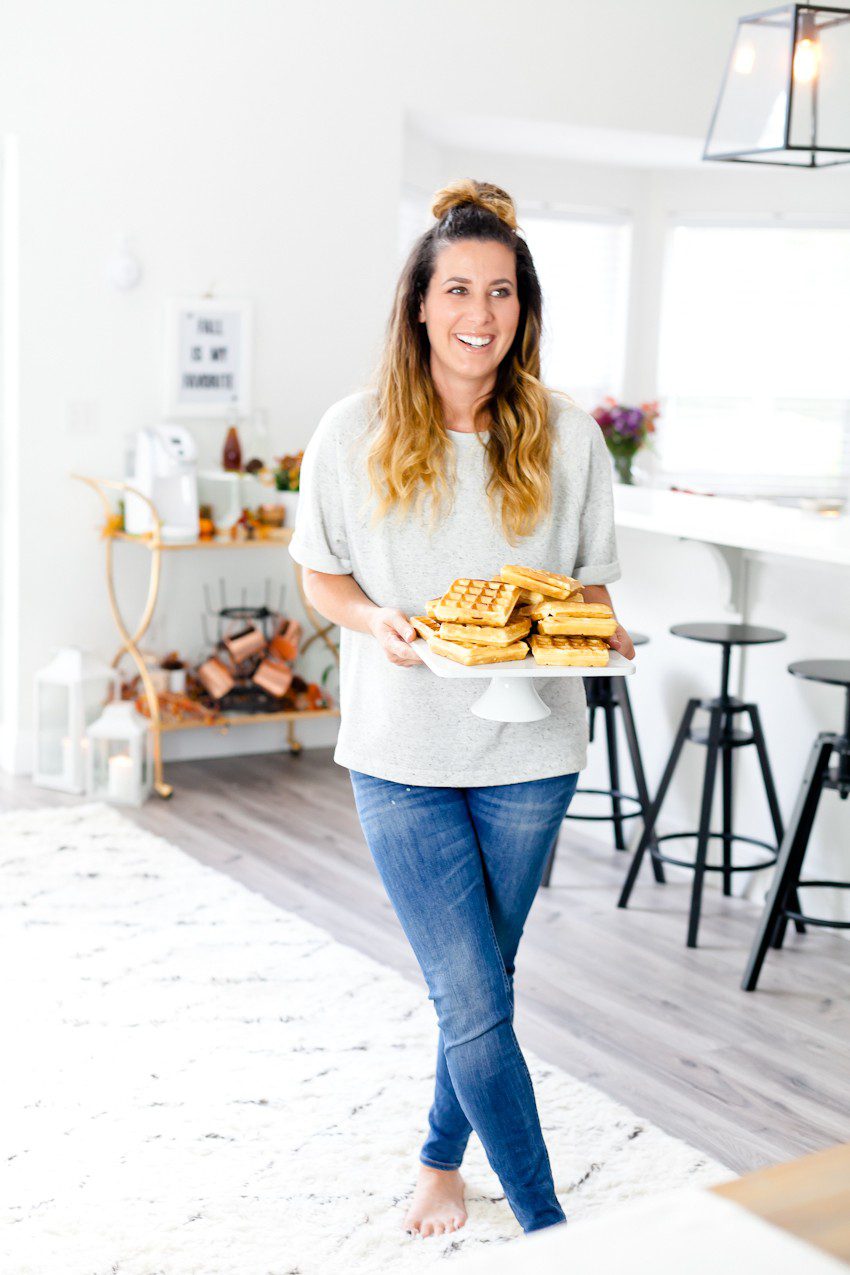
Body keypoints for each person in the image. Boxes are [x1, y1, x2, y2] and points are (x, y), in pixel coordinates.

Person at [288, 178, 634, 1239]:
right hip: (399, 748)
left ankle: (440, 1160)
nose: (480, 314)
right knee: (472, 991)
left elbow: (586, 591)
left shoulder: (566, 434)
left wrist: (602, 632)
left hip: (532, 746)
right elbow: (319, 574)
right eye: (458, 290)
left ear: (523, 308)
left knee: (482, 977)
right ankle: (549, 1228)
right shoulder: (352, 431)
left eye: (501, 292)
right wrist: (373, 620)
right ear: (420, 304)